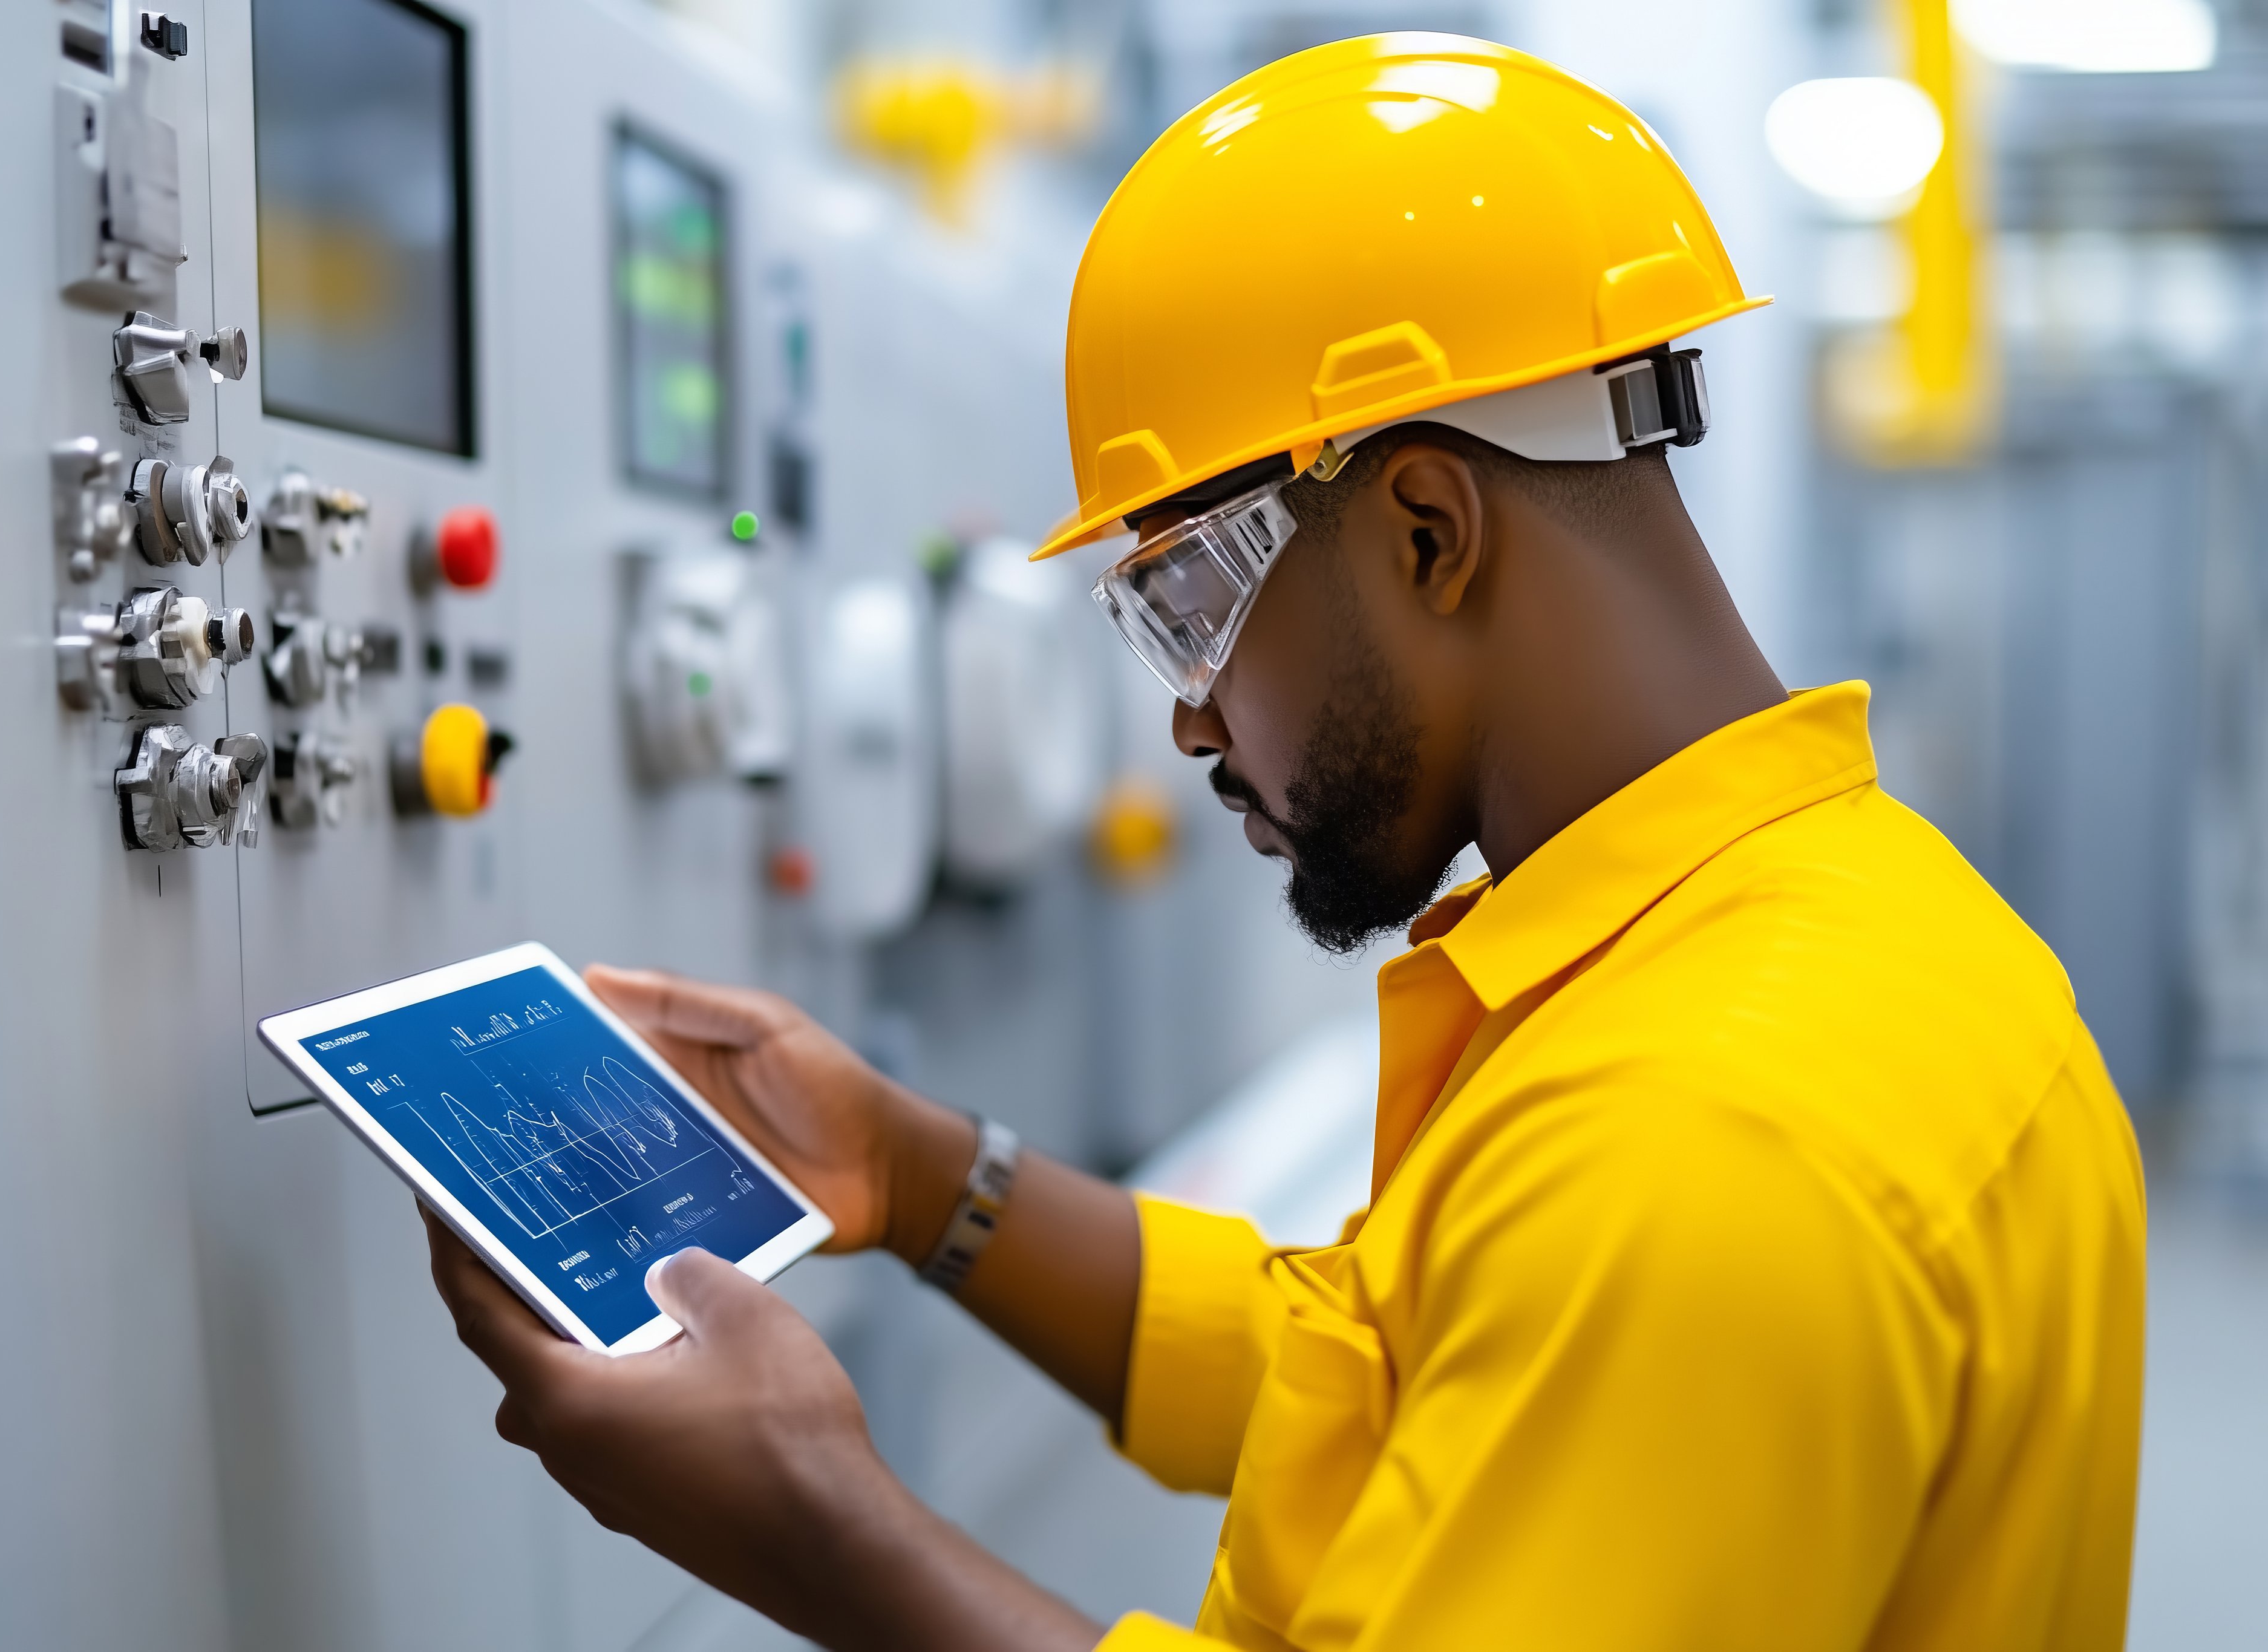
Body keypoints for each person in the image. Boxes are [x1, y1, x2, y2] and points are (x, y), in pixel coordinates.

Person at [424, 34, 2146, 1651]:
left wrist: (815, 1518)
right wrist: (914, 1168)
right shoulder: (1832, 931)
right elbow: (1411, 1382)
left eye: (1187, 601)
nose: (1188, 720)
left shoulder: (1706, 1137)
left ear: (1425, 531)